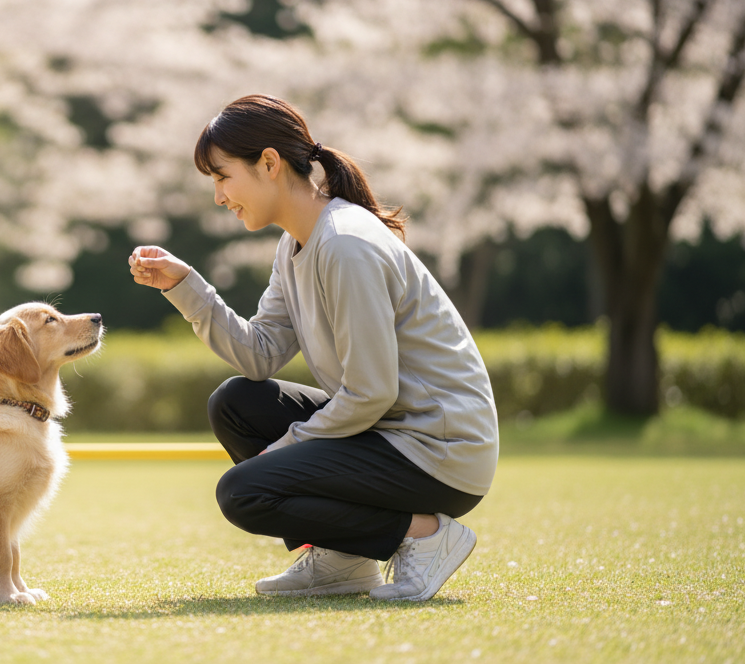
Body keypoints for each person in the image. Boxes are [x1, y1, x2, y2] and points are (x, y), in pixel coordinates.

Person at [129, 95, 498, 602]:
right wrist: (186, 286)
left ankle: (425, 535)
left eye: (222, 177)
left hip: (439, 450)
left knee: (244, 491)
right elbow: (259, 354)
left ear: (270, 164)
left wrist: (286, 447)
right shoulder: (296, 244)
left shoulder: (346, 244)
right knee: (237, 403)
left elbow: (370, 393)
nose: (218, 196)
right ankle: (344, 561)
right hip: (388, 432)